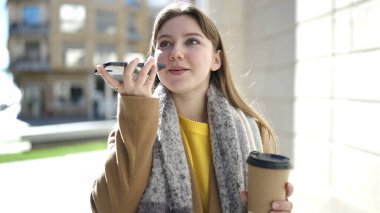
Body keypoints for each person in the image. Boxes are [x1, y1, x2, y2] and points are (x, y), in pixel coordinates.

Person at [91, 2, 293, 212]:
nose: (176, 53)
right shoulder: (131, 130)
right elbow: (110, 208)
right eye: (165, 43)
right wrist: (136, 109)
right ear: (153, 62)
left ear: (216, 60)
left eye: (192, 41)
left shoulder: (257, 133)